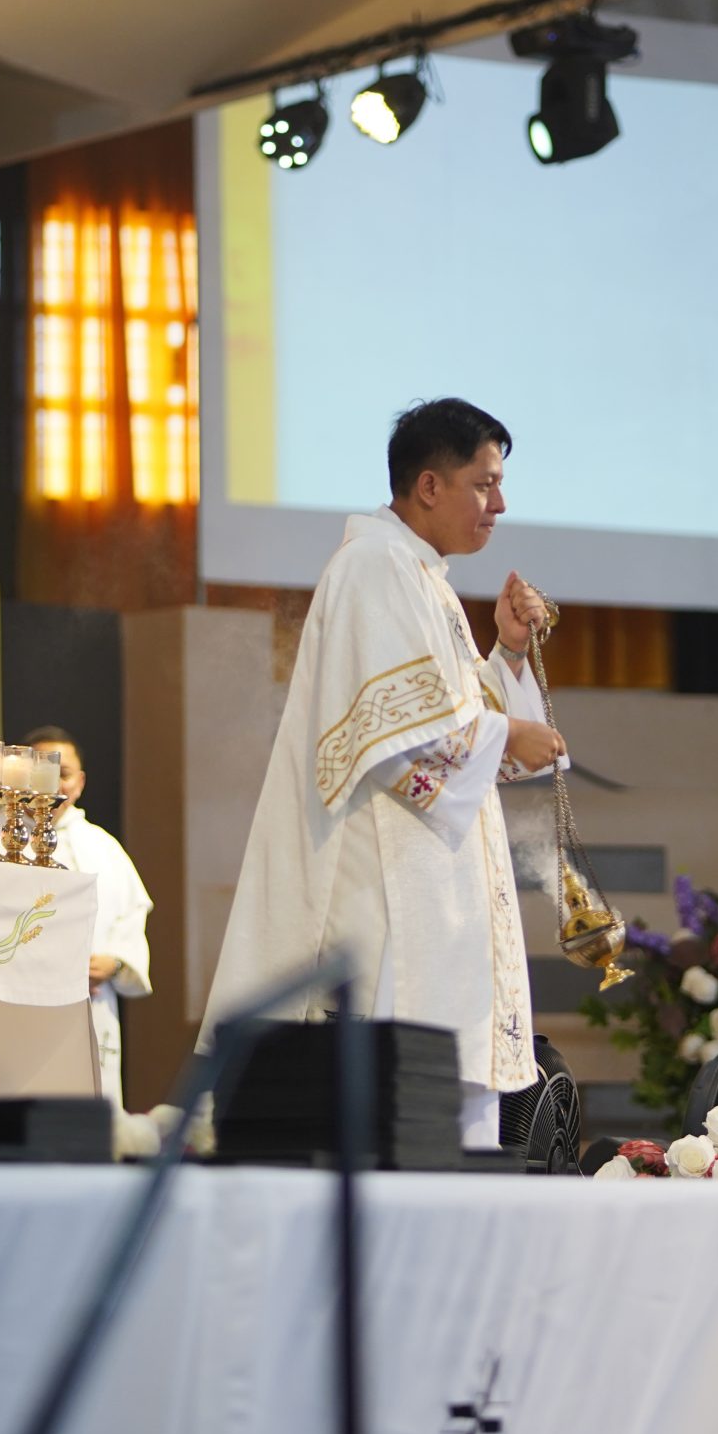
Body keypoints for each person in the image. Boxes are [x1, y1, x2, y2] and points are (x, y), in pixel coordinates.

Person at [198, 399, 565, 1150]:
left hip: (437, 886)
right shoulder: (375, 566)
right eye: (484, 485)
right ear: (429, 485)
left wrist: (507, 652)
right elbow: (392, 729)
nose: (499, 505)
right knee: (398, 1123)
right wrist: (508, 734)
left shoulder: (422, 575)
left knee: (445, 1122)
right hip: (389, 885)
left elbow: (443, 714)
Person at [27, 726, 152, 1105]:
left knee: (93, 1112)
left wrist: (115, 962)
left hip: (92, 1003)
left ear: (79, 783)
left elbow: (132, 916)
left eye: (63, 774)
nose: (53, 785)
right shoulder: (3, 843)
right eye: (42, 771)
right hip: (26, 1003)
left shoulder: (104, 847)